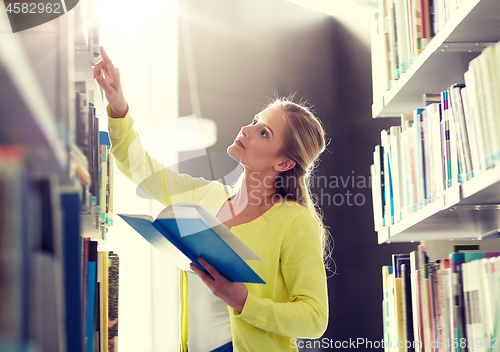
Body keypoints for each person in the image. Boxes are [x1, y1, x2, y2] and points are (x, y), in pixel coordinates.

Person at [93, 46, 329, 352]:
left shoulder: (295, 222)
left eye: (264, 133)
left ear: (284, 163)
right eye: (255, 121)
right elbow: (140, 168)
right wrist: (118, 103)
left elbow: (314, 319)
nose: (247, 129)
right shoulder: (205, 196)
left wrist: (243, 302)